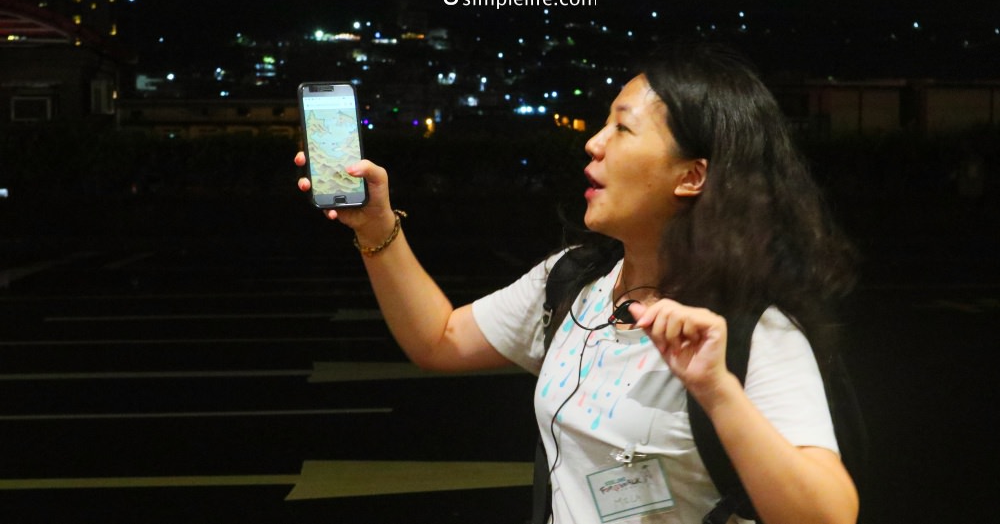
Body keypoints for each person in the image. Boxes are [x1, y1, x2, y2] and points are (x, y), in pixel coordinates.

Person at [294, 43, 859, 524]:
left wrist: (716, 390)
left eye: (623, 127)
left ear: (692, 176)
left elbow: (831, 513)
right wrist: (377, 226)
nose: (594, 141)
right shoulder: (573, 282)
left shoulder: (751, 330)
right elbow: (438, 339)